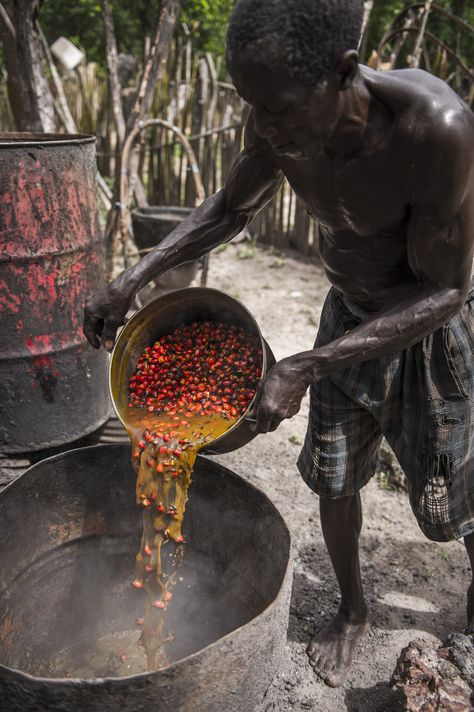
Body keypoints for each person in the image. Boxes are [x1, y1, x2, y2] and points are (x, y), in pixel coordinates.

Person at [83, 0, 474, 688]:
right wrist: (134, 276)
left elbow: (447, 290)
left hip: (426, 329)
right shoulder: (280, 118)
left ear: (344, 73)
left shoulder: (433, 132)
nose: (263, 128)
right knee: (333, 474)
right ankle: (353, 610)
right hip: (347, 312)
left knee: (456, 487)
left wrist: (303, 365)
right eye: (251, 106)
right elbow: (231, 208)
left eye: (281, 111)